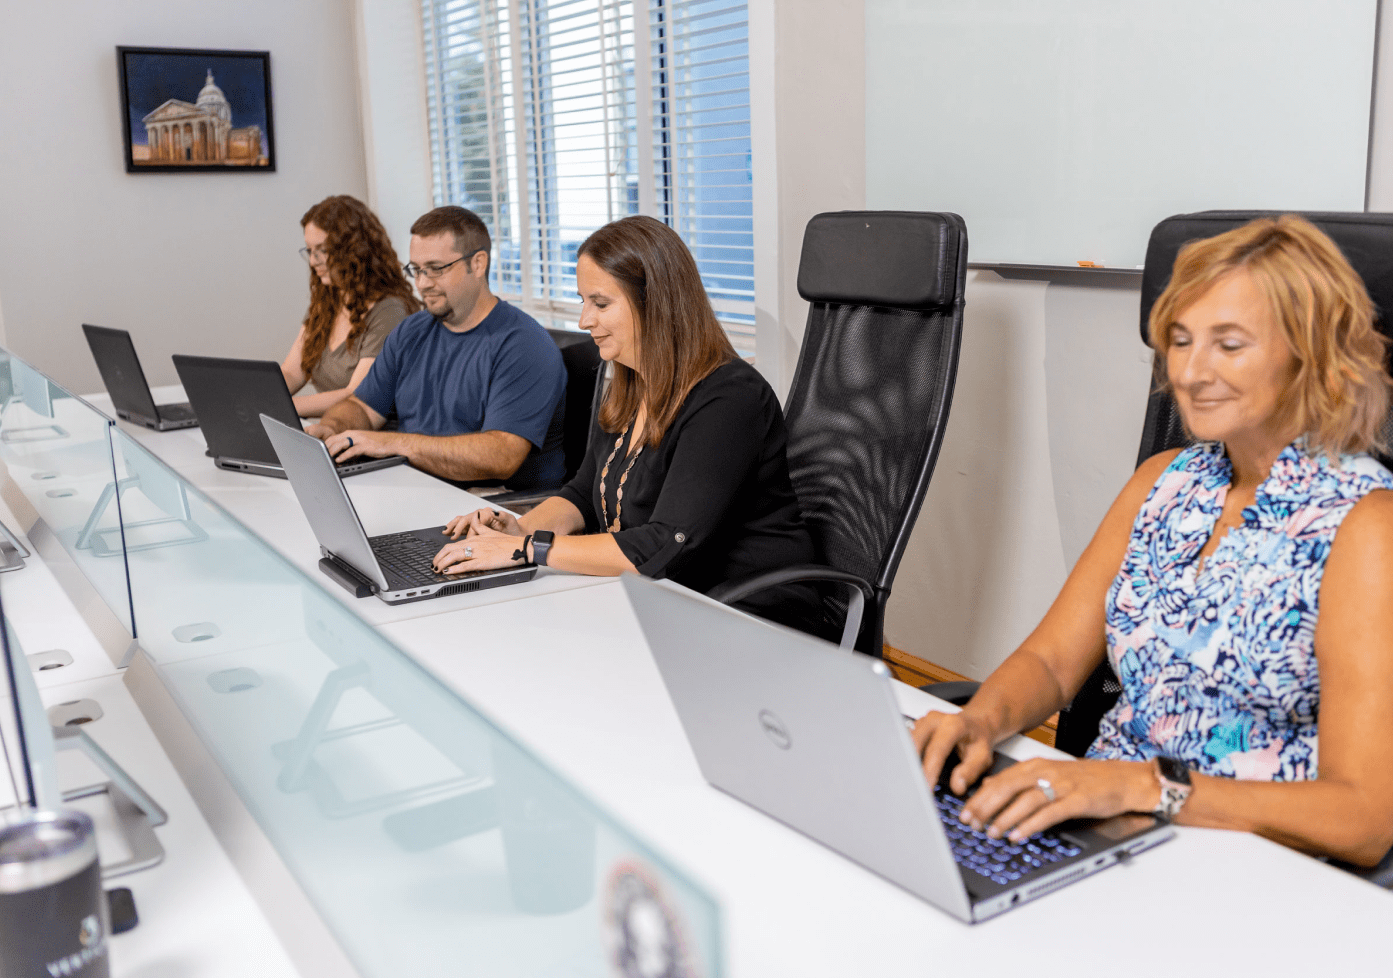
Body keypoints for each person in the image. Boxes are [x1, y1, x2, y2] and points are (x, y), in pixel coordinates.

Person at [913, 215, 1393, 866]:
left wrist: (1142, 788)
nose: (1191, 372)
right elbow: (1052, 663)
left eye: (1228, 344)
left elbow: (1361, 819)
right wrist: (981, 720)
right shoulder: (1160, 481)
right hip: (1095, 820)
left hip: (1248, 861)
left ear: (1307, 353)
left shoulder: (1364, 525)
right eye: (1179, 339)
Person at [430, 214, 820, 629]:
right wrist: (514, 530)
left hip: (747, 613)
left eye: (600, 303)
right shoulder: (631, 383)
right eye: (583, 302)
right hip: (660, 596)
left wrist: (530, 548)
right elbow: (583, 493)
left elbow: (666, 542)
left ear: (657, 302)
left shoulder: (728, 398)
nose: (584, 321)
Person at [306, 206, 567, 490]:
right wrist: (333, 430)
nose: (422, 283)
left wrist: (391, 444)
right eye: (416, 270)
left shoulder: (523, 344)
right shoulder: (411, 331)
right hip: (417, 487)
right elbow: (362, 407)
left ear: (478, 264)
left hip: (491, 505)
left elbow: (500, 456)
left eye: (436, 269)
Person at [281, 195, 419, 418]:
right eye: (309, 250)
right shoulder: (327, 304)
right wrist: (253, 398)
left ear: (354, 250)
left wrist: (277, 408)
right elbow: (291, 372)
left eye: (322, 250)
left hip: (374, 438)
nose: (314, 261)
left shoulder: (390, 311)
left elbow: (356, 395)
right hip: (335, 430)